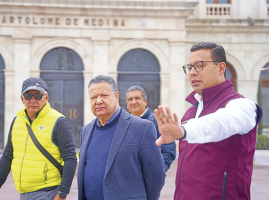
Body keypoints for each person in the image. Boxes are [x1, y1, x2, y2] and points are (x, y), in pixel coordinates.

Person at [154, 42, 263, 200]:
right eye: (189, 67)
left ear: (220, 68)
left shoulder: (242, 106)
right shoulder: (190, 113)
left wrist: (184, 131)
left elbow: (220, 123)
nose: (192, 72)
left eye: (199, 66)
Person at [0, 77, 77, 200]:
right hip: (24, 193)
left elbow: (70, 158)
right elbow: (8, 156)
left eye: (38, 95)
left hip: (47, 192)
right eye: (28, 95)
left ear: (46, 98)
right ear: (22, 99)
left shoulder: (58, 121)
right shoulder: (17, 121)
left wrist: (62, 193)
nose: (33, 100)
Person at [77, 75, 165, 200]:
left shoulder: (142, 128)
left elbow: (156, 175)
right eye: (93, 97)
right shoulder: (86, 131)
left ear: (116, 96)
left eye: (104, 95)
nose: (98, 101)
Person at [125, 85, 176, 172]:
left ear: (145, 102)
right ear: (127, 104)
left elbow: (168, 148)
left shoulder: (158, 121)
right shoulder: (121, 123)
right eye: (130, 99)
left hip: (149, 177)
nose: (133, 102)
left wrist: (160, 170)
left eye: (137, 98)